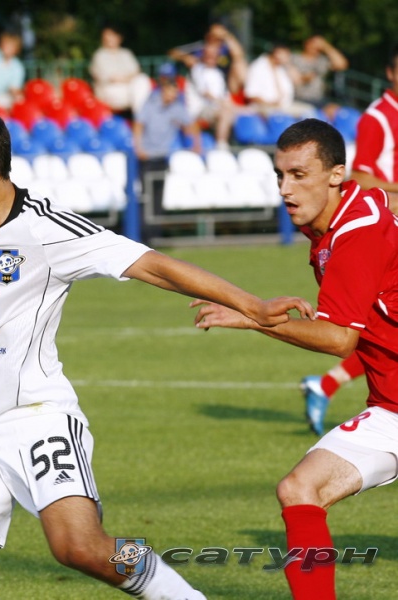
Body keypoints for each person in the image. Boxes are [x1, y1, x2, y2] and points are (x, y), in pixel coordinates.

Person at [0, 103, 312, 600]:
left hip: (36, 416)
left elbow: (153, 265)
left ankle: (180, 594)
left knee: (82, 547)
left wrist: (251, 304)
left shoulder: (48, 230)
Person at [193, 118, 398, 600]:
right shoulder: (338, 220)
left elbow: (339, 339)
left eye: (299, 175)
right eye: (280, 175)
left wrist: (254, 317)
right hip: (390, 409)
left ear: (336, 175)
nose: (285, 188)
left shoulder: (357, 229)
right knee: (299, 489)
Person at [299, 44, 398, 436]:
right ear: (390, 73)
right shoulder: (378, 118)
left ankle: (325, 385)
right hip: (382, 229)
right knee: (372, 322)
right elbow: (362, 176)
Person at [132, 62, 201, 234]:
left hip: (162, 157)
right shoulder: (150, 103)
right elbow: (139, 125)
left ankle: (154, 232)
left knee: (158, 196)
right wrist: (139, 147)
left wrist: (196, 145)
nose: (173, 95)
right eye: (171, 92)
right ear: (164, 90)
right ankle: (143, 232)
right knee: (146, 195)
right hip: (147, 157)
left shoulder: (176, 107)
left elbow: (191, 125)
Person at [174, 42, 239, 149]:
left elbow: (225, 97)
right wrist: (224, 104)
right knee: (226, 112)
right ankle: (221, 145)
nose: (211, 57)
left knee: (247, 111)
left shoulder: (218, 73)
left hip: (217, 108)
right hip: (199, 110)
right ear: (203, 55)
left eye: (214, 54)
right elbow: (206, 94)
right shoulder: (197, 69)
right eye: (208, 54)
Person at [88, 23, 152, 117]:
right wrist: (127, 78)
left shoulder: (126, 53)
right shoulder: (99, 55)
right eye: (107, 36)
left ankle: (140, 119)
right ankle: (141, 119)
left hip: (129, 87)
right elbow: (110, 78)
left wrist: (127, 79)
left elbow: (136, 72)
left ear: (119, 38)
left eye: (112, 35)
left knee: (142, 80)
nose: (109, 39)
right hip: (110, 90)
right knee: (138, 95)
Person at [168, 23, 247, 97]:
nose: (215, 40)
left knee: (239, 63)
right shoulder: (200, 47)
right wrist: (186, 58)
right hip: (204, 84)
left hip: (227, 83)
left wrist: (226, 36)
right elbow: (173, 53)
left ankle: (248, 91)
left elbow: (239, 55)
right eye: (214, 36)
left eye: (219, 37)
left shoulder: (226, 49)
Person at [244, 43, 317, 119]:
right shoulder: (258, 67)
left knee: (309, 111)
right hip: (263, 107)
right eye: (286, 55)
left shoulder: (281, 68)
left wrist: (288, 64)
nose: (288, 57)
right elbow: (251, 94)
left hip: (283, 106)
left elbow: (297, 80)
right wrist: (269, 104)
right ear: (277, 52)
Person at [290, 35, 348, 117]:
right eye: (314, 44)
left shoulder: (321, 61)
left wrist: (326, 46)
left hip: (318, 99)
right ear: (307, 44)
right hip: (298, 98)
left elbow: (341, 64)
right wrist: (303, 78)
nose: (316, 48)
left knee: (340, 113)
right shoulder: (294, 58)